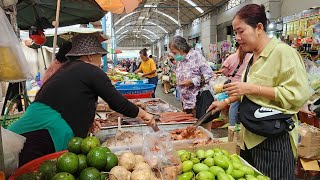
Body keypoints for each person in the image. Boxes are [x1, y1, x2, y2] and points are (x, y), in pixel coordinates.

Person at [8, 33, 157, 166]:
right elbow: (117, 102)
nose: (101, 59)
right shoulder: (90, 70)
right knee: (36, 172)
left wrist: (87, 120)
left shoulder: (69, 69)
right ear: (90, 55)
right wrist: (144, 114)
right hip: (44, 131)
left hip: (27, 130)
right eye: (100, 55)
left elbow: (72, 99)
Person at [207, 4, 309, 179]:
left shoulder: (284, 53)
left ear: (259, 27)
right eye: (235, 33)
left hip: (274, 138)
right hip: (250, 136)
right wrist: (225, 102)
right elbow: (248, 92)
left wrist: (252, 88)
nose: (237, 37)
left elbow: (298, 95)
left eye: (241, 31)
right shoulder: (252, 56)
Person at [169, 36, 214, 130]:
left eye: (174, 52)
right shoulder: (180, 60)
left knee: (202, 131)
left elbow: (209, 74)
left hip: (199, 102)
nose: (174, 55)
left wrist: (192, 81)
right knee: (190, 131)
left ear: (181, 49)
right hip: (186, 103)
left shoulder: (196, 56)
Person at [220, 42, 252, 126]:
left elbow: (224, 71)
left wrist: (230, 75)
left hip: (234, 85)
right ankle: (245, 125)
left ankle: (233, 125)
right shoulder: (252, 57)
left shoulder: (232, 57)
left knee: (234, 106)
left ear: (237, 47)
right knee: (246, 105)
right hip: (247, 85)